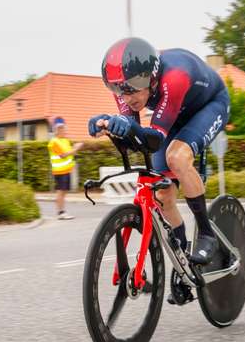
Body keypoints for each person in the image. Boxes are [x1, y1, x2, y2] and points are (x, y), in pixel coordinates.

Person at [89, 37, 230, 266]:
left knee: (177, 157)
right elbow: (131, 127)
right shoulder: (125, 84)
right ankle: (183, 260)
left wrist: (128, 126)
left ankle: (206, 233)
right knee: (162, 195)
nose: (126, 97)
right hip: (174, 112)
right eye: (118, 90)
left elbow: (154, 138)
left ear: (151, 79)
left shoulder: (175, 76)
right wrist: (107, 124)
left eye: (131, 90)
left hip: (209, 106)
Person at [47, 117, 83, 220]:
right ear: (55, 130)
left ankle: (62, 211)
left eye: (63, 128)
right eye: (60, 128)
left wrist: (75, 149)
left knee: (63, 192)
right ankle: (60, 213)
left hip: (66, 171)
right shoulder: (53, 142)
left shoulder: (65, 140)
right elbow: (63, 155)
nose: (62, 130)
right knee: (60, 192)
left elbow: (70, 154)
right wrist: (76, 148)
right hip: (59, 171)